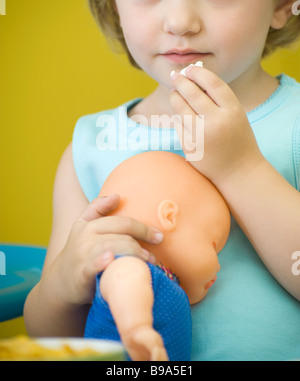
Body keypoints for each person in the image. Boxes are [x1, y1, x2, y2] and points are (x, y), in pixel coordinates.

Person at [24, 0, 300, 361]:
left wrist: (241, 169)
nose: (180, 20)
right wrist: (64, 283)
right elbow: (48, 334)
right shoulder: (92, 147)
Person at [83, 151, 231, 361]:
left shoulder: (162, 281)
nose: (218, 265)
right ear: (169, 216)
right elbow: (125, 280)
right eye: (213, 245)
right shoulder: (131, 265)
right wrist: (136, 328)